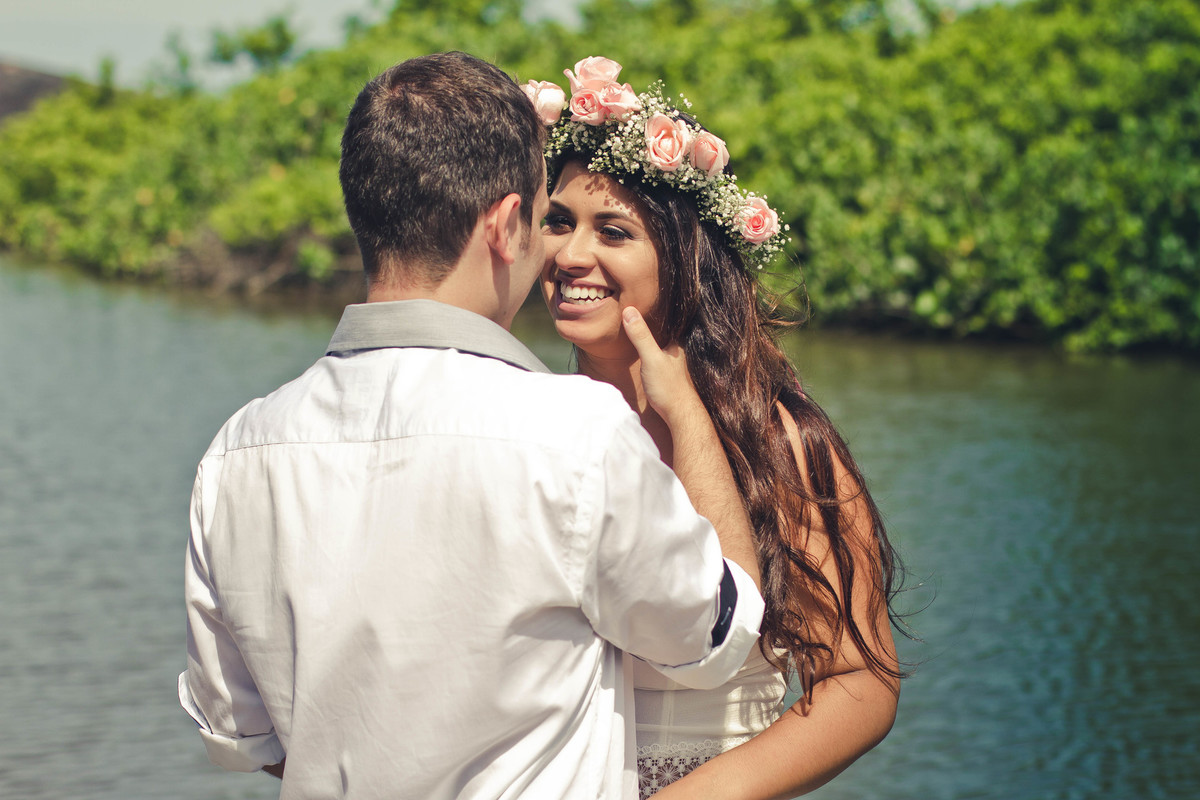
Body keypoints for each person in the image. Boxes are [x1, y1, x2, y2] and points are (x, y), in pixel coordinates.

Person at [178, 52, 767, 800]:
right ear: (506, 224)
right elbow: (716, 636)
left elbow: (243, 733)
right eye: (546, 220)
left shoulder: (236, 452)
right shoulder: (575, 433)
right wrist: (688, 416)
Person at [529, 58, 907, 798]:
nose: (571, 255)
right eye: (559, 222)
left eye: (613, 231)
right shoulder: (526, 426)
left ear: (684, 259)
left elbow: (860, 685)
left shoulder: (777, 441)